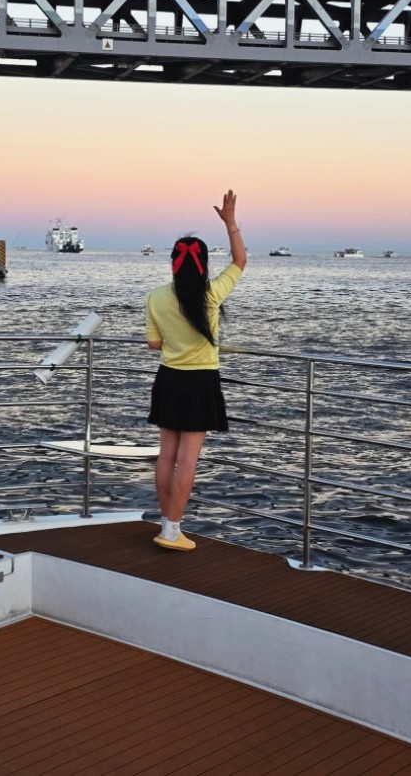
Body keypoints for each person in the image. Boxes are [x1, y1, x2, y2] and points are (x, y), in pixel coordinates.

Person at [146, 189, 247, 551]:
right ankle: (172, 531)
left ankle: (167, 524)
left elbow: (154, 344)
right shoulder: (212, 294)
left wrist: (175, 341)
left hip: (168, 379)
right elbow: (240, 260)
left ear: (173, 263)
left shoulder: (156, 297)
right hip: (201, 381)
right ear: (202, 264)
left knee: (166, 456)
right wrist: (230, 222)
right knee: (188, 459)